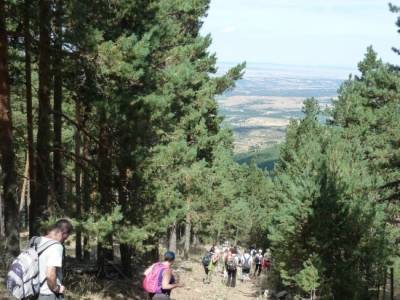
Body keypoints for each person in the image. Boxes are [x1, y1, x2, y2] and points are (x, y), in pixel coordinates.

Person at [38, 219, 73, 300]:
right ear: (63, 233)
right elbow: (50, 274)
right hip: (48, 294)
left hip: (34, 291)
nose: (64, 241)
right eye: (65, 238)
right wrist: (56, 288)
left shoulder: (38, 241)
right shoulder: (56, 246)